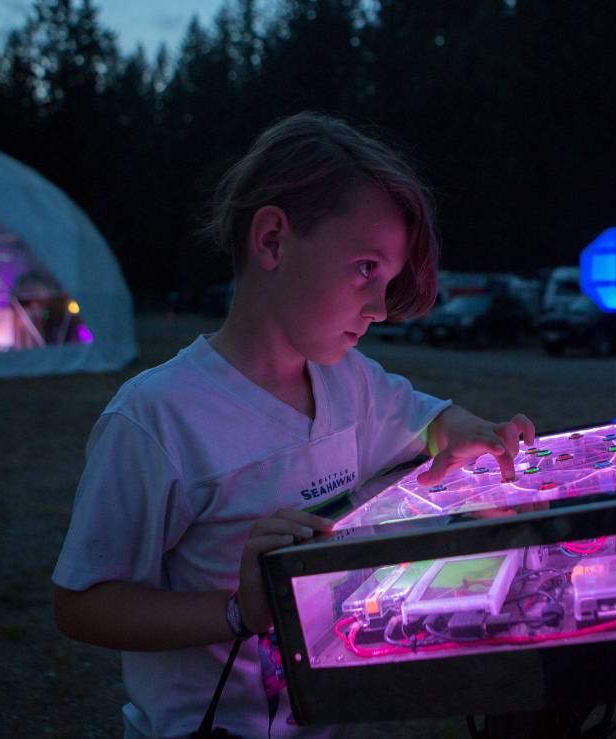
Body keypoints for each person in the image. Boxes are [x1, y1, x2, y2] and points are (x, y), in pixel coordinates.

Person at [52, 112, 536, 738]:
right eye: (366, 267)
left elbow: (433, 421)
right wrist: (237, 612)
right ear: (274, 239)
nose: (382, 308)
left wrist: (478, 431)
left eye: (387, 281)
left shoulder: (349, 381)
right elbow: (81, 604)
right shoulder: (157, 419)